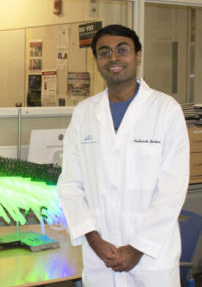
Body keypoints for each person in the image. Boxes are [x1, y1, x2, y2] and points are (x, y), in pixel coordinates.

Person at [57, 24, 189, 286]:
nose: (113, 58)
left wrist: (138, 247)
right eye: (104, 52)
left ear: (138, 56)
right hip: (100, 256)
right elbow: (70, 185)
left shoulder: (166, 111)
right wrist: (94, 240)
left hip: (151, 258)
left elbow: (172, 191)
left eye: (122, 50)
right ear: (97, 61)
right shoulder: (84, 113)